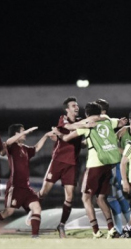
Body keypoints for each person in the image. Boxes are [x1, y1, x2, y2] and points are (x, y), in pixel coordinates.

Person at [53, 102, 120, 239]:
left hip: (95, 164)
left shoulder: (87, 124)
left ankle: (95, 231)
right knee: (101, 199)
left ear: (87, 114)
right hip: (108, 164)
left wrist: (58, 134)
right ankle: (112, 229)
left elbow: (66, 138)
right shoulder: (108, 121)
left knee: (86, 198)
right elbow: (119, 122)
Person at [0, 125, 54, 238]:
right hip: (15, 187)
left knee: (37, 207)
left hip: (26, 188)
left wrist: (45, 136)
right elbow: (7, 142)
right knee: (8, 212)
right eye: (22, 131)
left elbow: (36, 148)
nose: (25, 134)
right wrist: (24, 132)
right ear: (16, 134)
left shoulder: (25, 148)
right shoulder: (12, 147)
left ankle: (35, 236)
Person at [36, 96, 84, 238]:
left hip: (72, 164)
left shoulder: (81, 122)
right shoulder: (63, 119)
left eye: (77, 105)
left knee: (70, 197)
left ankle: (61, 225)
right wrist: (85, 124)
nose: (77, 107)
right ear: (67, 109)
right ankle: (33, 213)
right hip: (58, 161)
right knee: (44, 192)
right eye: (74, 105)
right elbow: (69, 128)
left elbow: (76, 141)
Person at [109, 109, 131, 236]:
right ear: (130, 121)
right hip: (122, 171)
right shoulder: (123, 131)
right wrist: (123, 151)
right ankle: (125, 228)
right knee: (119, 198)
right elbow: (111, 142)